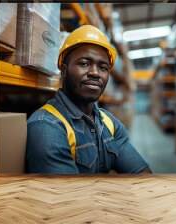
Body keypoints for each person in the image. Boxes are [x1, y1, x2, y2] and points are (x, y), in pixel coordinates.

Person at [25, 25, 151, 174]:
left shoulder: (109, 123)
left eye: (103, 67)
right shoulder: (47, 127)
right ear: (64, 71)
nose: (95, 73)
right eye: (84, 64)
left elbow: (142, 174)